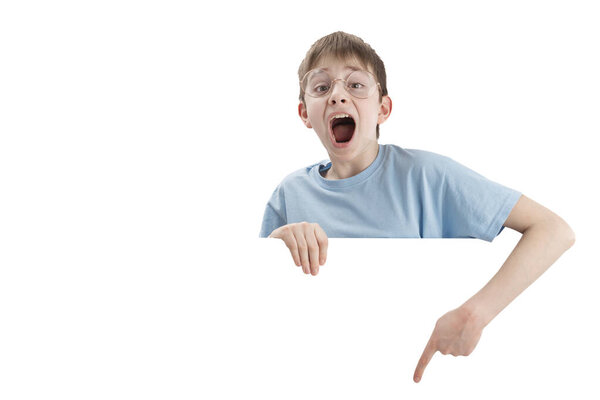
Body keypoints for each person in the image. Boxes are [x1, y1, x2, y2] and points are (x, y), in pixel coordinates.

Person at [258, 32, 575, 383]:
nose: (337, 95)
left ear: (383, 109)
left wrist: (476, 314)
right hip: (314, 377)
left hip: (414, 378)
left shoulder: (427, 176)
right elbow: (258, 306)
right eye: (321, 88)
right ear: (305, 113)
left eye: (356, 85)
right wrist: (279, 241)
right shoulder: (289, 194)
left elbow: (554, 230)